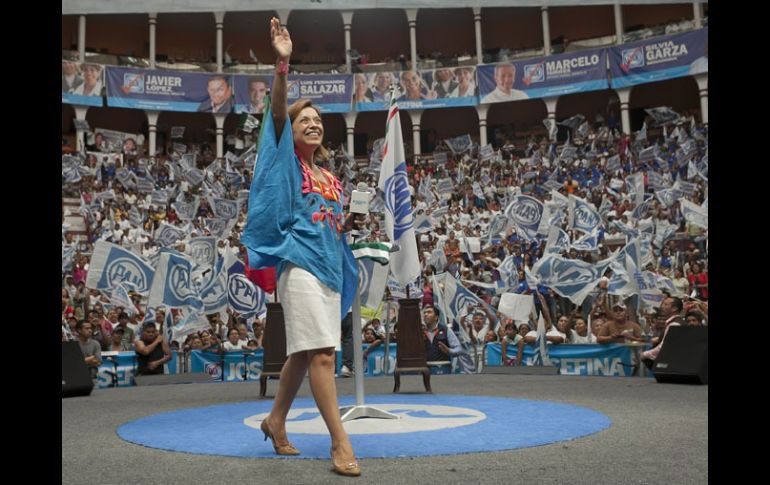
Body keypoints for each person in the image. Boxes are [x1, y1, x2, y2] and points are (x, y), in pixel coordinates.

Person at [240, 17, 361, 477]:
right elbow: (275, 113)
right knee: (325, 354)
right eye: (303, 120)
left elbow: (328, 222)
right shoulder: (283, 159)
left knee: (303, 352)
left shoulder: (330, 177)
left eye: (317, 120)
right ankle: (339, 441)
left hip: (329, 264)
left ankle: (275, 419)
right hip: (300, 266)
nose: (312, 124)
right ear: (289, 132)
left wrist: (348, 222)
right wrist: (282, 65)